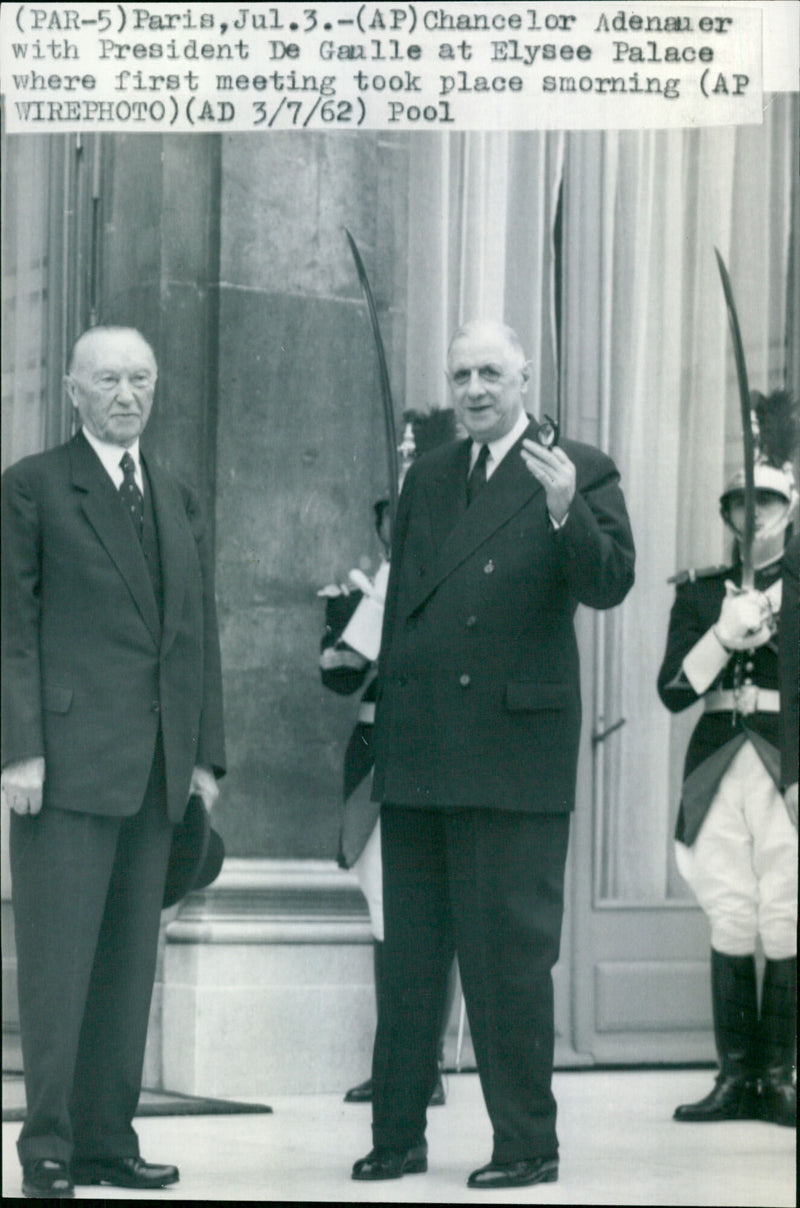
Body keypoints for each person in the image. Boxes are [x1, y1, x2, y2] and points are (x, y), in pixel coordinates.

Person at [351, 319, 635, 1188]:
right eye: (461, 374)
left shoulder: (576, 466)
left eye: (491, 374)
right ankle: (397, 1135)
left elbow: (609, 582)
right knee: (410, 960)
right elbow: (405, 614)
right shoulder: (429, 477)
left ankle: (526, 1144)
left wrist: (563, 511)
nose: (474, 389)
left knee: (509, 961)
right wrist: (382, 739)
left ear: (525, 380)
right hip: (424, 753)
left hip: (513, 761)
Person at [1, 326, 226, 1198]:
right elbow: (11, 631)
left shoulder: (174, 494)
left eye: (140, 378)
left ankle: (107, 1140)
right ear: (72, 389)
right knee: (58, 972)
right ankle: (48, 1150)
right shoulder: (33, 488)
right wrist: (19, 751)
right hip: (64, 768)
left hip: (159, 773)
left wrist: (207, 759)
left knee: (130, 967)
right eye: (107, 380)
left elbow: (199, 632)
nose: (126, 394)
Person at [657, 389, 798, 1128]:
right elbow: (673, 691)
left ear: (790, 510)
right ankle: (734, 1077)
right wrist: (719, 637)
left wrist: (772, 628)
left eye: (767, 505)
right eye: (740, 505)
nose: (752, 517)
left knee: (787, 914)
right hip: (718, 762)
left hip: (788, 764)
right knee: (730, 913)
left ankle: (779, 1077)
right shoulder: (700, 591)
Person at [319, 411, 458, 1107]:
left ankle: (424, 1063)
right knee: (383, 910)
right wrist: (364, 618)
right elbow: (339, 676)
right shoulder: (360, 592)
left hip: (433, 754)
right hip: (377, 756)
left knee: (427, 913)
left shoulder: (452, 583)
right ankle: (398, 1065)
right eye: (391, 514)